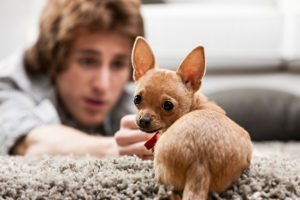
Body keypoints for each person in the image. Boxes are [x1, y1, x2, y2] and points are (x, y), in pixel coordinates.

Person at [0, 0, 154, 159]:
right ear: (54, 60)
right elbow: (30, 143)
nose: (102, 85)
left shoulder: (132, 93)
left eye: (118, 64)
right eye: (88, 61)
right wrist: (117, 148)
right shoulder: (10, 83)